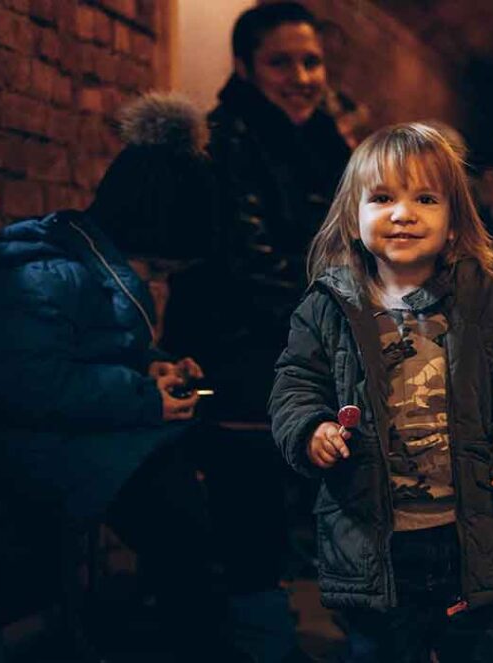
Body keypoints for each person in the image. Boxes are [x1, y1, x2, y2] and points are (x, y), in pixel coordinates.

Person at [0, 94, 285, 661]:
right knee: (181, 524)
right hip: (41, 444)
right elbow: (28, 386)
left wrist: (156, 366)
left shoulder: (93, 261)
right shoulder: (45, 274)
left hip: (97, 427)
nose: (157, 282)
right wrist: (146, 397)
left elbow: (102, 351)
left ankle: (253, 626)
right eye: (156, 269)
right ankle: (206, 641)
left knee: (241, 456)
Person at [268, 123, 493, 662]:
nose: (403, 213)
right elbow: (295, 384)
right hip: (373, 541)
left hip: (472, 536)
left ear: (453, 222)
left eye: (425, 198)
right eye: (383, 198)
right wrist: (312, 429)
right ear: (353, 218)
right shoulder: (327, 307)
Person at [165, 1, 351, 422]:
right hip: (238, 362)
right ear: (244, 66)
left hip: (301, 354)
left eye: (311, 62)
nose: (301, 78)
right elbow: (252, 269)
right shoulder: (223, 144)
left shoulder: (324, 143)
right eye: (280, 63)